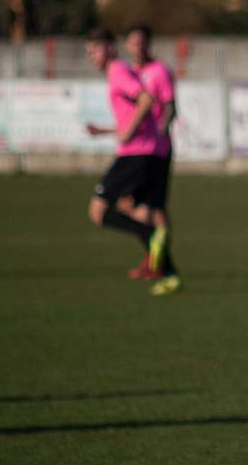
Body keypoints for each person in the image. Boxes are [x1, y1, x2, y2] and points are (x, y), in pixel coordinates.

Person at [84, 28, 179, 296]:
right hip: (142, 151)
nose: (91, 56)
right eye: (88, 52)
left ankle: (153, 237)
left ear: (110, 48)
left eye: (94, 50)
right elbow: (130, 120)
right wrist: (105, 132)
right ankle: (169, 273)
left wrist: (127, 133)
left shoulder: (117, 71)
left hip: (137, 152)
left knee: (98, 211)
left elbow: (147, 100)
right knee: (136, 209)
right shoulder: (121, 71)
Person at [121, 24, 180, 293]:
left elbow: (170, 107)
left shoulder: (159, 72)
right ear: (126, 46)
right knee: (135, 206)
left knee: (153, 208)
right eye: (134, 43)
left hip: (157, 151)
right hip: (137, 150)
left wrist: (159, 133)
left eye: (142, 42)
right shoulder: (130, 73)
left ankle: (159, 262)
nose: (138, 47)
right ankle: (155, 259)